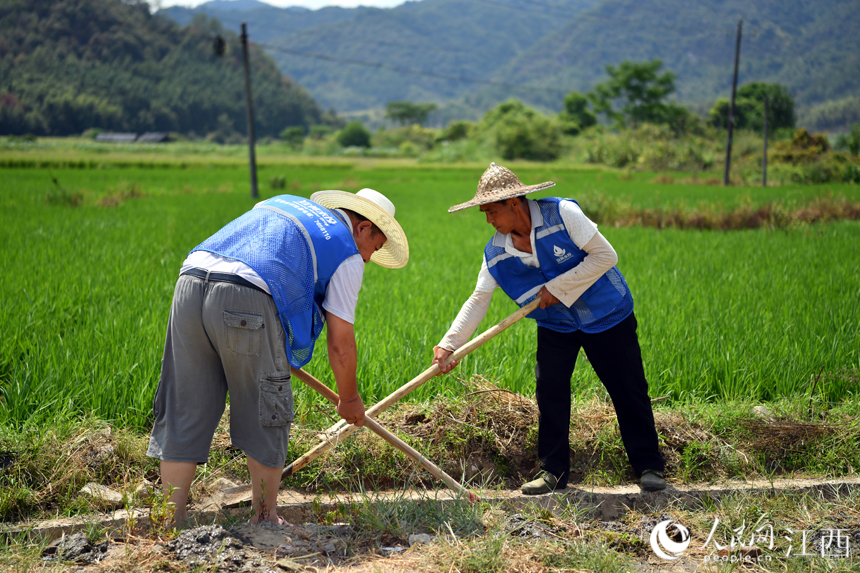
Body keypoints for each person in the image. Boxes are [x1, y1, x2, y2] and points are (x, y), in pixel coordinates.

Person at [147, 189, 409, 524]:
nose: (371, 257)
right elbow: (340, 343)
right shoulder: (347, 251)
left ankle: (171, 522)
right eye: (376, 246)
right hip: (246, 297)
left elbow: (269, 260)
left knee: (184, 402)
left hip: (190, 282)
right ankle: (265, 518)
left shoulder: (282, 203)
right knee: (267, 407)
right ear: (363, 229)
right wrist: (350, 398)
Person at [432, 163, 665, 494]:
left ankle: (648, 466)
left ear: (515, 203)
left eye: (492, 211)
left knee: (628, 389)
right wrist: (449, 344)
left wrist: (558, 287)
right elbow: (479, 299)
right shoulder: (496, 252)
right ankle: (552, 471)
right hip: (557, 325)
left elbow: (605, 255)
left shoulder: (564, 214)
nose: (488, 220)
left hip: (607, 313)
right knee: (551, 392)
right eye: (484, 212)